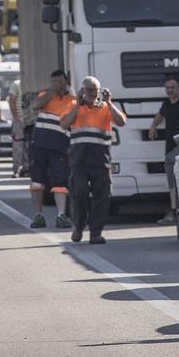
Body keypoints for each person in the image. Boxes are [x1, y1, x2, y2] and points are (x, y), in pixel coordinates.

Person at [61, 76, 126, 244]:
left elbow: (121, 122)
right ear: (82, 91)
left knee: (102, 197)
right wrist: (77, 104)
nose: (92, 93)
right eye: (88, 90)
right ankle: (79, 227)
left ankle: (95, 233)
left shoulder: (105, 107)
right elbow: (64, 124)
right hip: (79, 161)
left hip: (100, 161)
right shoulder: (74, 107)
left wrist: (110, 102)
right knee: (80, 194)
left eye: (95, 90)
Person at [29, 70, 77, 229]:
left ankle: (61, 215)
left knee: (60, 181)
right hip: (40, 144)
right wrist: (52, 92)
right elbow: (35, 105)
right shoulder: (46, 94)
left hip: (59, 147)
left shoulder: (73, 100)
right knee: (37, 180)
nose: (56, 83)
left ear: (66, 81)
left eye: (59, 80)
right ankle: (38, 215)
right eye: (53, 80)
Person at [149, 77, 179, 225]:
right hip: (169, 149)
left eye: (173, 87)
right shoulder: (166, 103)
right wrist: (153, 126)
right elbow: (160, 115)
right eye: (167, 88)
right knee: (172, 183)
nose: (170, 90)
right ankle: (174, 210)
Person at [7, 78, 27, 177]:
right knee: (18, 145)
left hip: (30, 119)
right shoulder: (16, 84)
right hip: (19, 120)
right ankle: (17, 168)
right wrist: (16, 117)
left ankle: (27, 168)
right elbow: (11, 101)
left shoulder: (33, 84)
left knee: (29, 145)